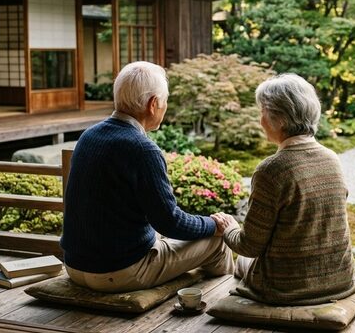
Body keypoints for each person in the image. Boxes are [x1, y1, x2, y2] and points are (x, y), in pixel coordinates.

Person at [60, 61, 235, 293]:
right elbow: (171, 222)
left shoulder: (88, 136)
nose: (165, 106)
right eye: (165, 101)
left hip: (75, 265)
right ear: (153, 104)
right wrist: (214, 224)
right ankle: (219, 300)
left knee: (162, 236)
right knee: (217, 242)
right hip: (119, 272)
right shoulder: (142, 148)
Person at [213, 73, 355, 305]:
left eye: (263, 112)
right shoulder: (332, 158)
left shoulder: (271, 170)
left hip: (287, 287)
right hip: (341, 280)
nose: (260, 120)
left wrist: (229, 227)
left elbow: (249, 245)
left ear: (278, 119)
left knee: (241, 262)